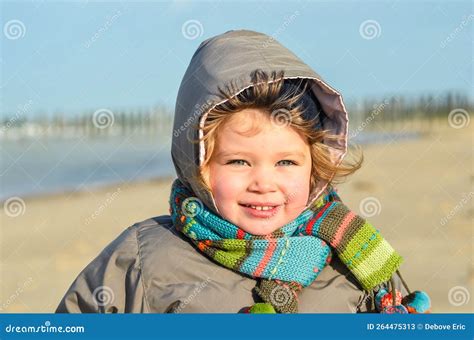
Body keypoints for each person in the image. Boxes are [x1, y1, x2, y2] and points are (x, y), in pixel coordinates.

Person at [56, 30, 429, 313]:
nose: (264, 184)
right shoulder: (144, 258)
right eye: (238, 162)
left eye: (286, 162)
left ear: (315, 166)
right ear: (198, 163)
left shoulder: (353, 256)